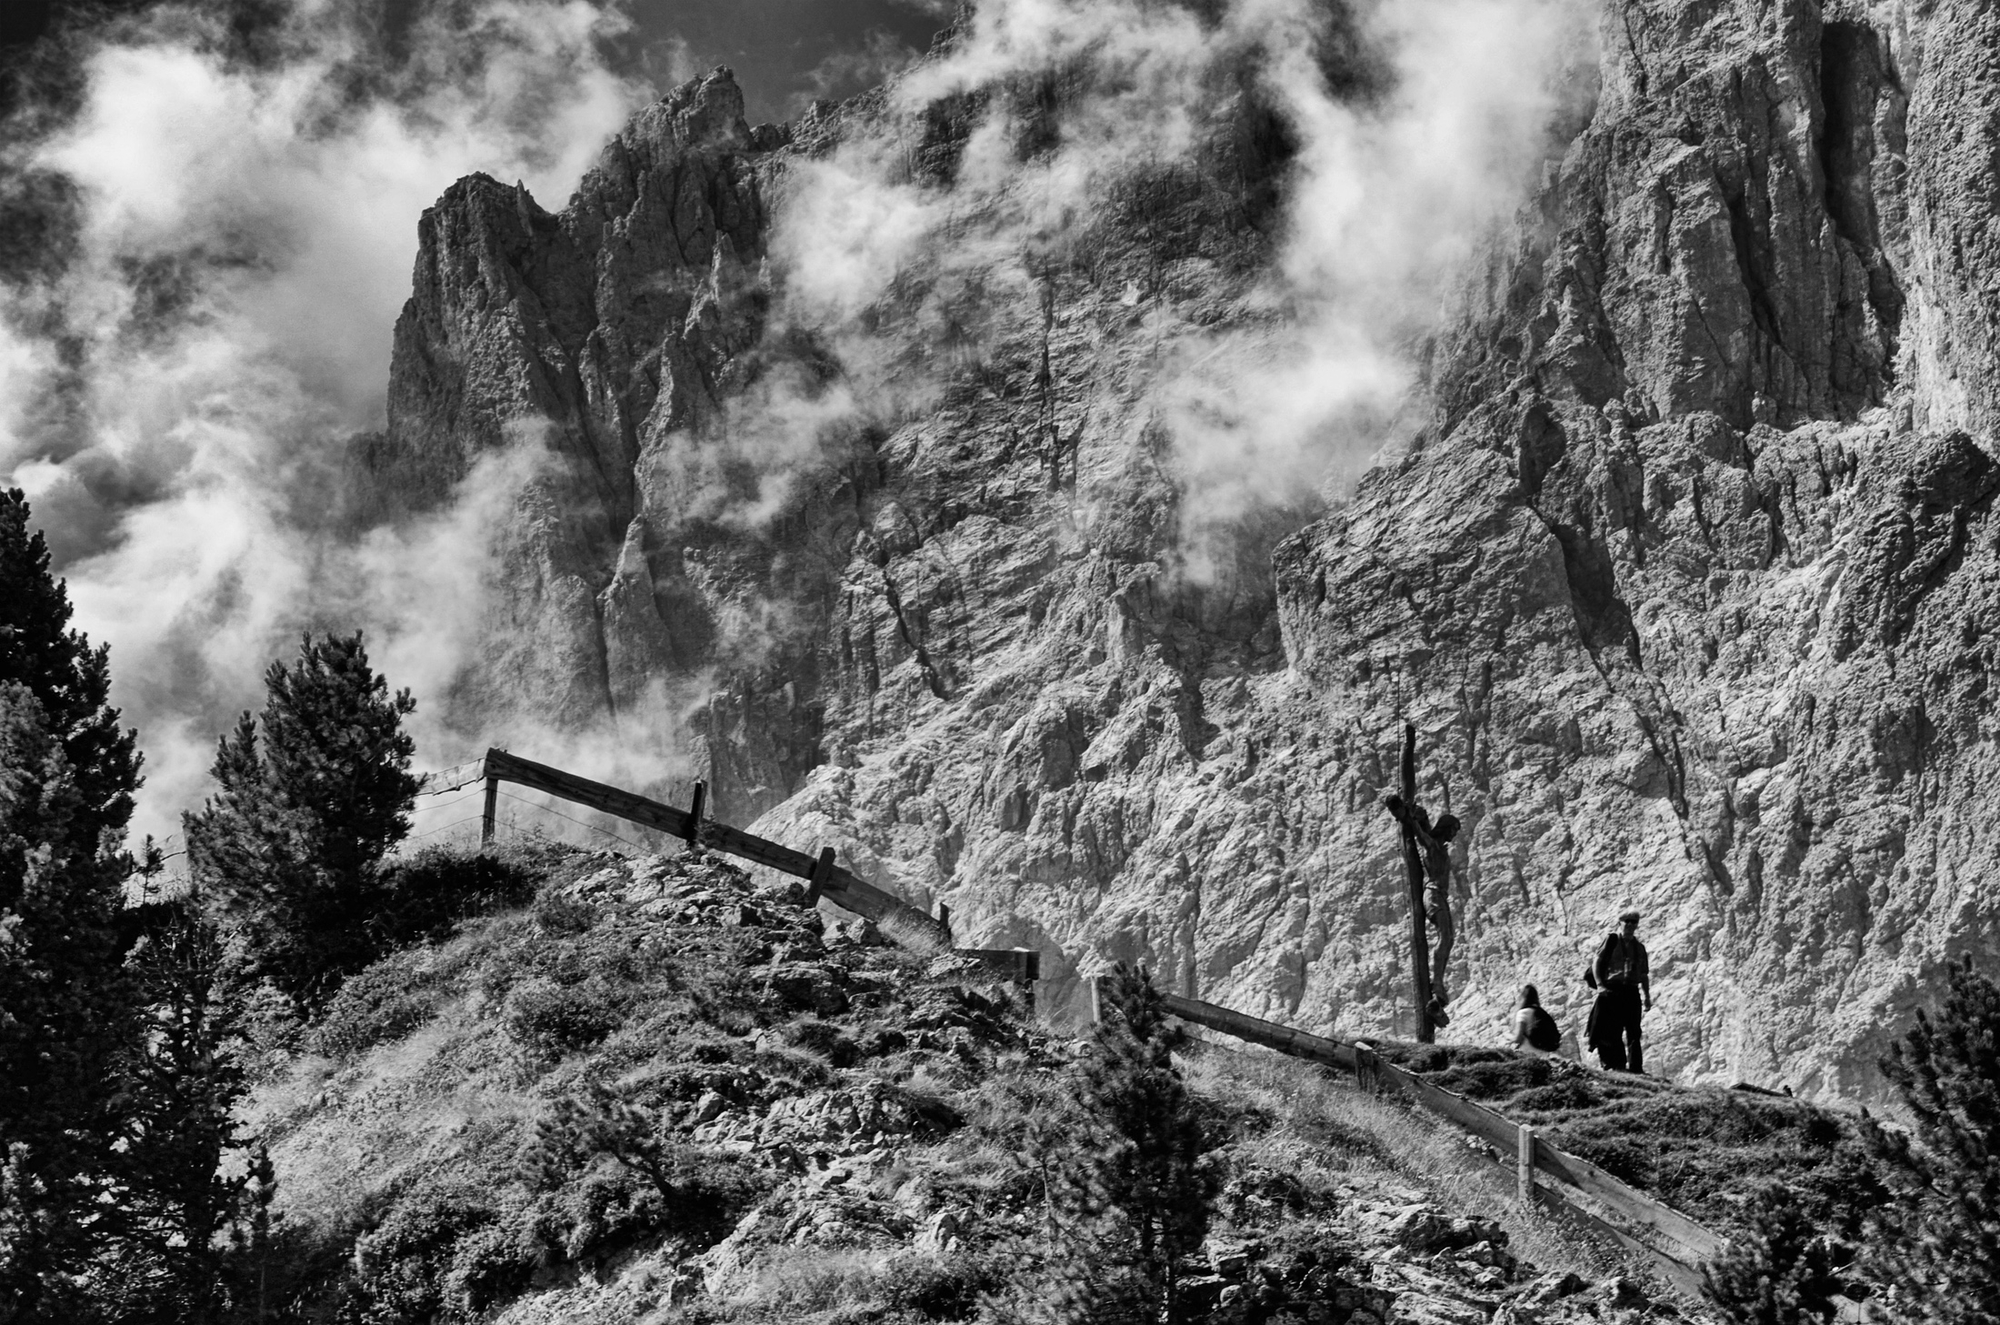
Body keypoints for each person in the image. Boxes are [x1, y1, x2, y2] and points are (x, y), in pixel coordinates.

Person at [1592, 908, 1652, 1073]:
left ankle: (1636, 1067)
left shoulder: (1639, 947)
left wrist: (1647, 996)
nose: (1631, 925)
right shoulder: (1611, 941)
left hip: (1632, 990)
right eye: (1628, 922)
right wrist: (1600, 985)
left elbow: (1644, 974)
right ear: (1620, 923)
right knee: (1614, 1029)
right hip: (1613, 989)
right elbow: (1597, 962)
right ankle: (1618, 1065)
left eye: (1634, 922)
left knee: (1634, 1031)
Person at [1512, 984, 1562, 1053]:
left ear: (1522, 997)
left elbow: (1518, 1038)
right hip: (1544, 1052)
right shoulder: (1542, 1013)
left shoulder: (1522, 1012)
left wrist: (1507, 1037)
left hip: (1529, 1051)